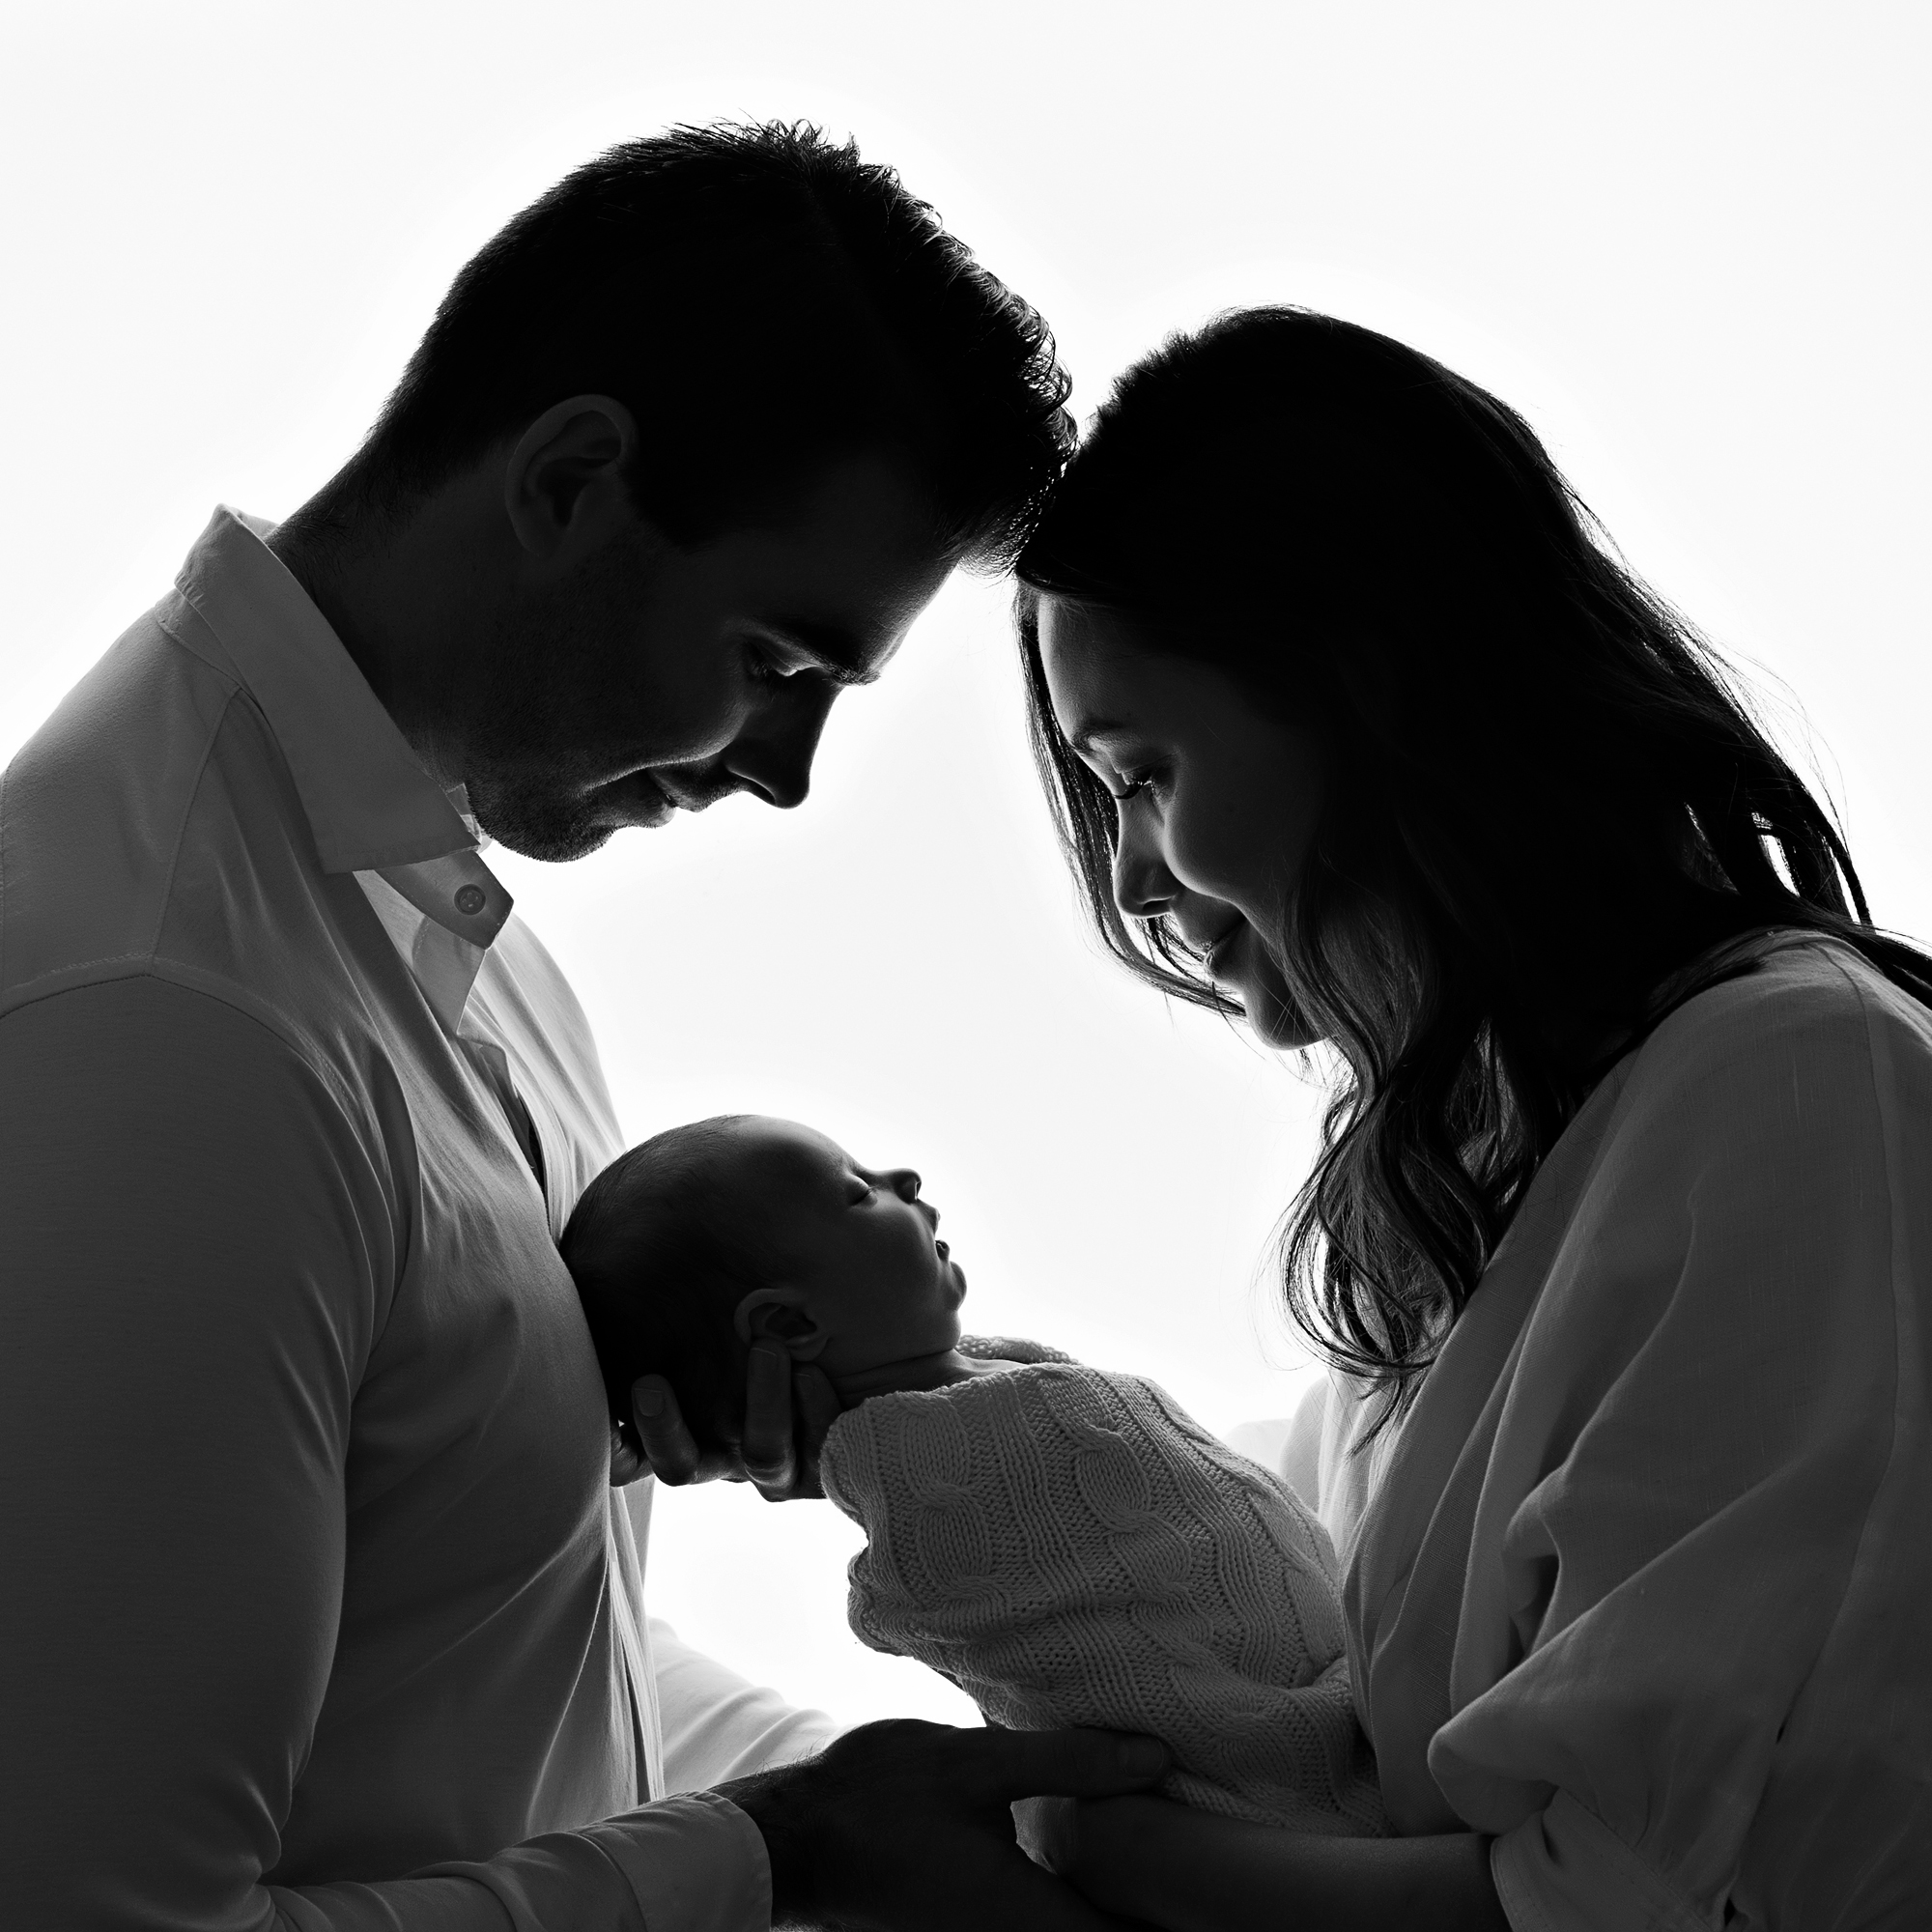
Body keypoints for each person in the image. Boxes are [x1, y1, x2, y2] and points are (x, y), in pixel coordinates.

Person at [0, 123, 1171, 1931]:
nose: (785, 776)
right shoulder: (171, 1025)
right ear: (567, 482)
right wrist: (777, 1854)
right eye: (779, 660)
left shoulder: (449, 945)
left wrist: (897, 1809)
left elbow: (494, 1655)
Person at [992, 306, 1932, 1927]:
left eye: (1141, 773)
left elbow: (1604, 1901)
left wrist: (1081, 1847)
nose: (1136, 879)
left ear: (1371, 699)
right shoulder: (1485, 1154)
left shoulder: (1795, 1091)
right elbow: (1284, 1634)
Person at [563, 1114, 1386, 1835]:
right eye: (856, 1191)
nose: (902, 1179)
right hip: (1250, 1781)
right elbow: (947, 1595)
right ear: (787, 1321)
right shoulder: (939, 1476)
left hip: (1339, 1697)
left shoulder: (990, 1396)